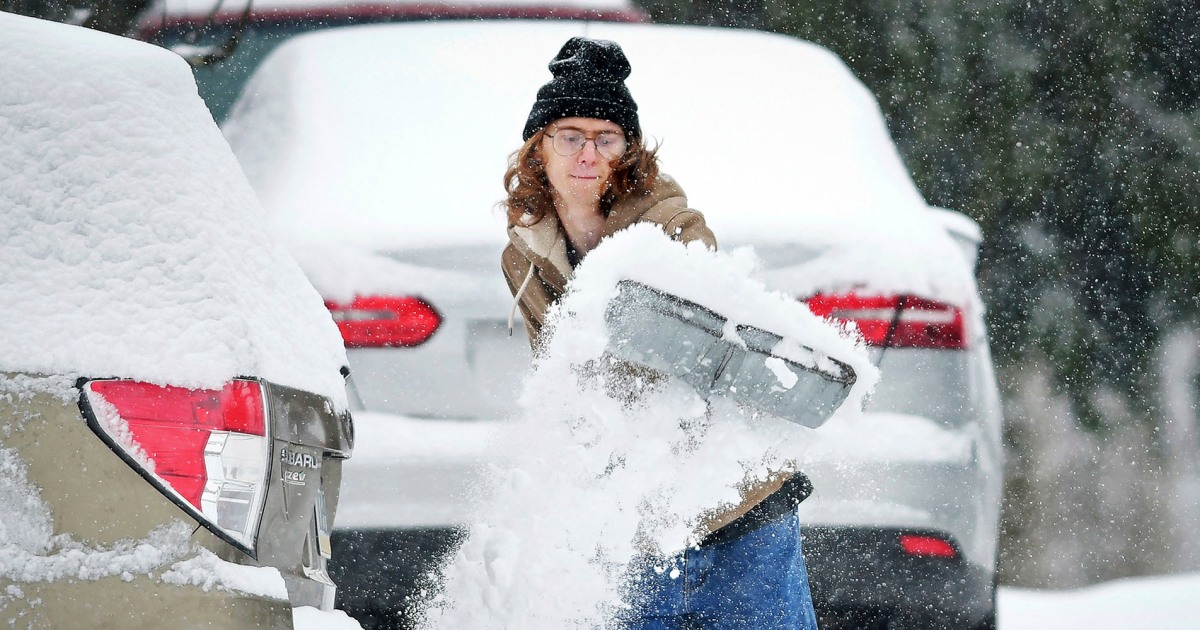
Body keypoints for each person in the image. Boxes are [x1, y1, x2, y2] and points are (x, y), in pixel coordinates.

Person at [500, 36, 819, 629]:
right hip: (633, 523)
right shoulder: (525, 255)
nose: (588, 154)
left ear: (629, 151)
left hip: (737, 510)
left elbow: (698, 358)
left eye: (607, 138)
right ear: (538, 150)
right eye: (570, 136)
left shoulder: (672, 229)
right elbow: (562, 383)